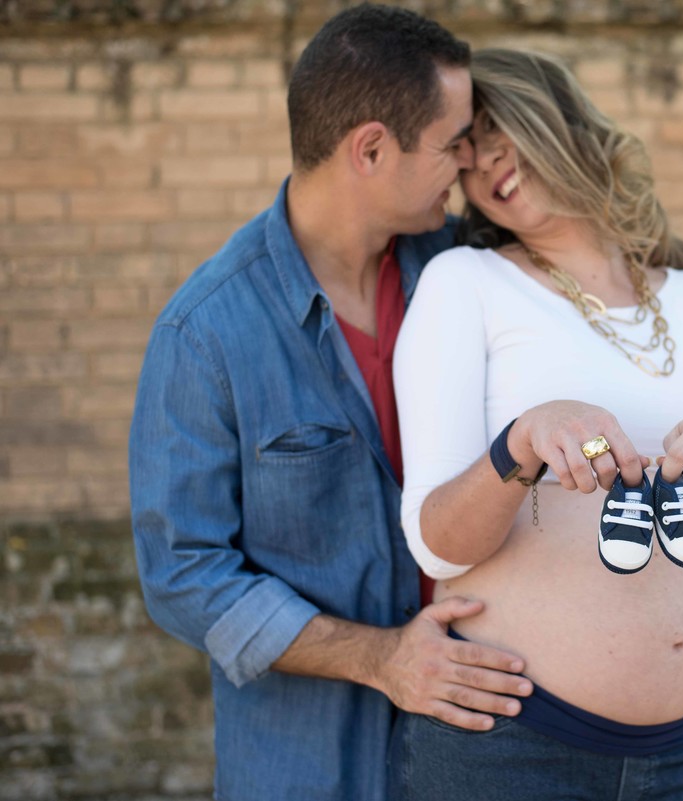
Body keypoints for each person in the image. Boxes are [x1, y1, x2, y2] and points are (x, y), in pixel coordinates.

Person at [127, 8, 534, 800]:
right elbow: (182, 572)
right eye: (451, 142)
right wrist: (382, 658)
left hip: (492, 751)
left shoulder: (470, 270)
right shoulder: (205, 333)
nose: (466, 162)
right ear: (371, 149)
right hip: (306, 768)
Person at [392, 49, 683, 800]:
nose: (484, 163)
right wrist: (521, 442)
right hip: (511, 745)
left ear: (560, 123)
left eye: (498, 132)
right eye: (468, 154)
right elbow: (435, 541)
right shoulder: (466, 285)